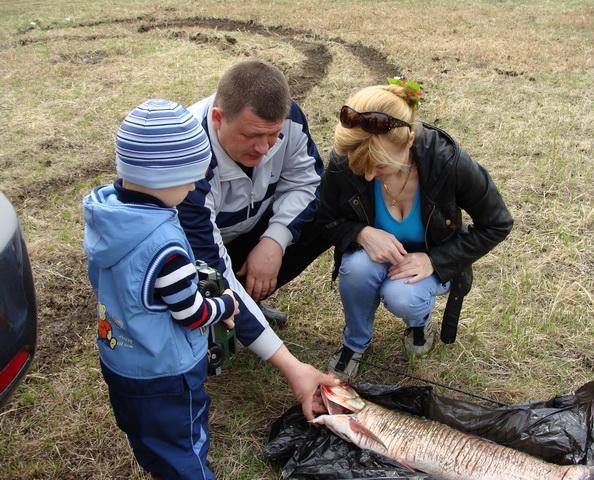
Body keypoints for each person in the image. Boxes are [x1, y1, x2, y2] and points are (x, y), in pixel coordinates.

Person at [83, 99, 339, 480]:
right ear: (168, 178)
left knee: (150, 438)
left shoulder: (108, 218)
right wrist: (224, 305)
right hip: (165, 372)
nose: (195, 186)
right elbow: (191, 312)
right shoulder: (165, 246)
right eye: (191, 180)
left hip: (122, 363)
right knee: (186, 444)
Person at [318, 79, 513, 379]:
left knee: (403, 297)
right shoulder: (345, 159)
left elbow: (498, 222)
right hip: (371, 258)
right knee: (356, 269)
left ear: (409, 141)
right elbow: (324, 217)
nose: (368, 176)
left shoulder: (447, 161)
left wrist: (435, 260)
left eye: (379, 166)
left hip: (431, 258)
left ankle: (418, 321)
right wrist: (360, 233)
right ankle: (354, 341)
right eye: (361, 166)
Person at [177, 60, 330, 328]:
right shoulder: (188, 149)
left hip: (245, 228)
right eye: (252, 135)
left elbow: (306, 182)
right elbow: (205, 251)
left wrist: (274, 241)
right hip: (193, 248)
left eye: (273, 134)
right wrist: (282, 358)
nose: (263, 148)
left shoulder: (290, 118)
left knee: (326, 213)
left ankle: (244, 303)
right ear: (217, 118)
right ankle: (220, 312)